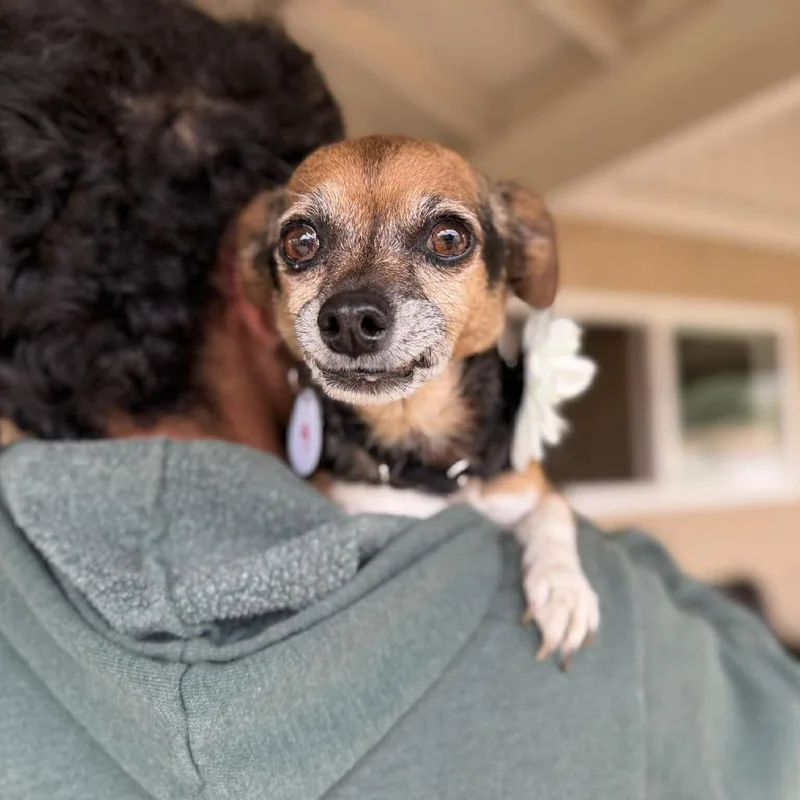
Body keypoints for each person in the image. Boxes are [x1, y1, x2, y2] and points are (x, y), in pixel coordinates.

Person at [0, 1, 798, 798]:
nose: (358, 305)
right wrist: (618, 556)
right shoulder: (622, 639)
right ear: (257, 293)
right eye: (309, 244)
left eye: (442, 240)